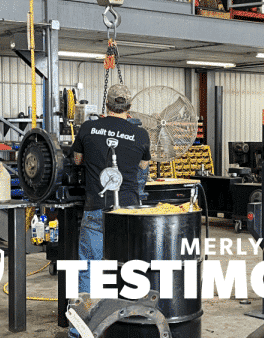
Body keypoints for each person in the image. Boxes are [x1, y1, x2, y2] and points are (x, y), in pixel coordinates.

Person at [69, 84, 150, 337]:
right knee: (130, 269)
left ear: (106, 105)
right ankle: (129, 326)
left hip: (96, 210)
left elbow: (77, 160)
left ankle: (81, 331)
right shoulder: (141, 134)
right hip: (129, 215)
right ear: (129, 107)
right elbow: (143, 167)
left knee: (89, 271)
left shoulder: (87, 128)